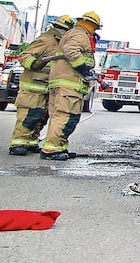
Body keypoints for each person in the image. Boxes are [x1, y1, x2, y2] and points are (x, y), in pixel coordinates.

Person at [8, 15, 76, 155]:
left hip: (45, 87)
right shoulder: (46, 39)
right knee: (28, 116)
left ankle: (31, 142)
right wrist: (35, 64)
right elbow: (25, 56)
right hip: (33, 87)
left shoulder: (60, 43)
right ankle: (18, 143)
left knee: (40, 116)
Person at [40, 11, 102, 161]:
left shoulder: (72, 33)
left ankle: (59, 147)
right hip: (69, 85)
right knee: (65, 117)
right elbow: (71, 51)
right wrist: (83, 69)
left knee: (59, 117)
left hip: (60, 83)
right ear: (92, 25)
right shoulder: (81, 36)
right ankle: (51, 150)